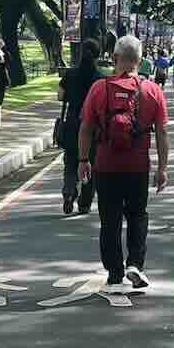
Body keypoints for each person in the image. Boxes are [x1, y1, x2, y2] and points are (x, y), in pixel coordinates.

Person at [78, 35, 170, 293]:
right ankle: (135, 264)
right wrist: (162, 168)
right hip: (138, 166)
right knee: (138, 216)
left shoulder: (99, 88)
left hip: (105, 165)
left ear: (115, 57)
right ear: (140, 60)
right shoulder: (153, 91)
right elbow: (162, 133)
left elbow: (85, 128)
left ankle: (115, 272)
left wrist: (83, 160)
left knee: (109, 220)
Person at [58, 40, 101, 216]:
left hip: (72, 122)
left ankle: (69, 191)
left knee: (70, 160)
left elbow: (60, 96)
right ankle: (84, 202)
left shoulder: (70, 74)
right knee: (90, 162)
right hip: (92, 126)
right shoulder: (100, 78)